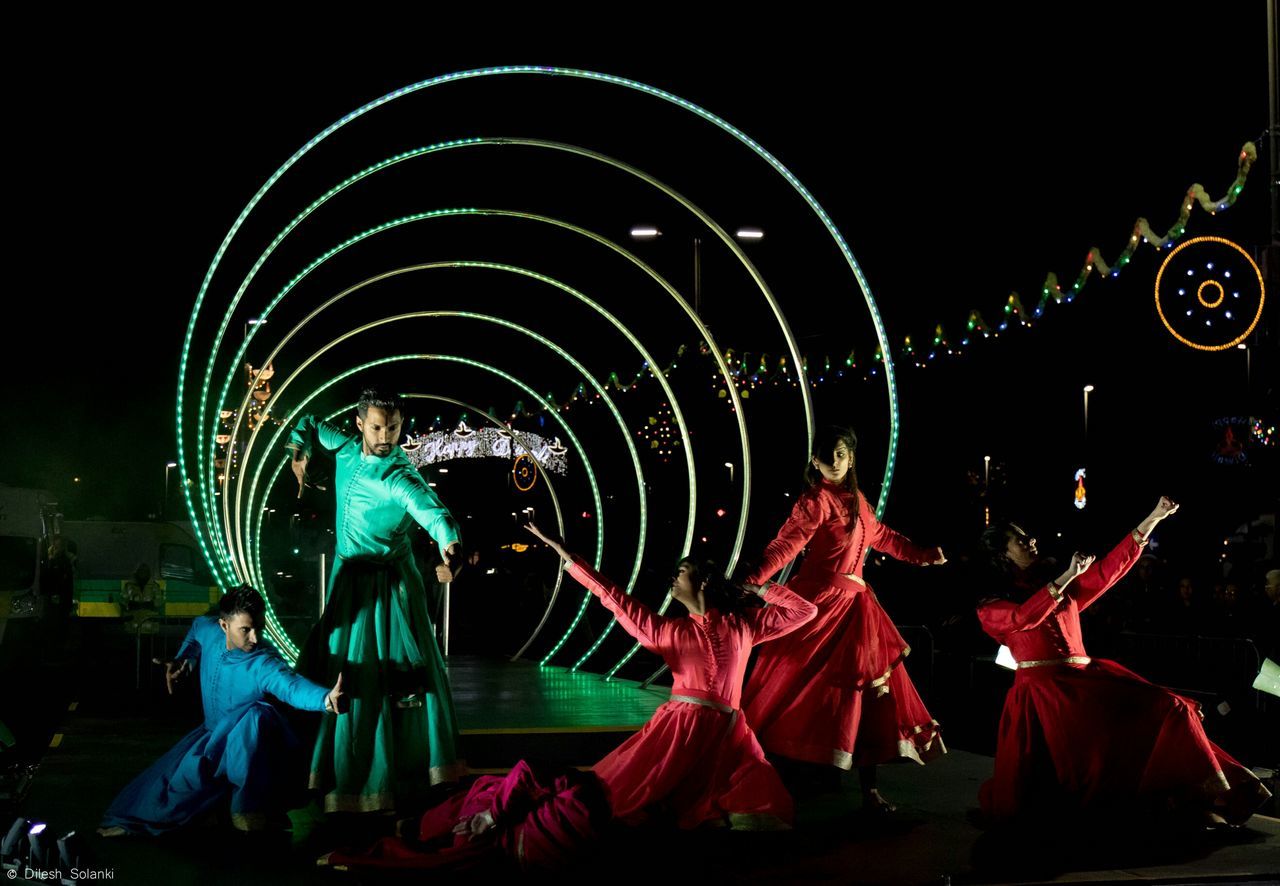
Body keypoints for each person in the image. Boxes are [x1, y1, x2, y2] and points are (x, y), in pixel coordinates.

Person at [977, 497, 1270, 826]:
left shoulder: (1059, 586)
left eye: (1027, 535)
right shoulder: (992, 605)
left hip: (1084, 681)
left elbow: (1107, 572)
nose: (1030, 540)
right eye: (1019, 538)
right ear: (1003, 554)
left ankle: (1202, 798)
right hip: (1045, 695)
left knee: (1170, 707)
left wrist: (1153, 518)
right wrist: (1066, 576)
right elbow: (1022, 617)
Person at [531, 521, 818, 829]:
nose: (673, 577)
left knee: (756, 800)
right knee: (626, 795)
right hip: (680, 728)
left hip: (729, 733)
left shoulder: (743, 624)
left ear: (704, 580)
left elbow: (805, 612)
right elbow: (612, 597)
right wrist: (568, 556)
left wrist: (759, 588)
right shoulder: (667, 631)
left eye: (681, 571)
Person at [739, 426, 946, 810]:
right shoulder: (815, 500)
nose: (833, 461)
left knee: (867, 696)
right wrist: (753, 579)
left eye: (840, 454)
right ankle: (760, 776)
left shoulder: (858, 500)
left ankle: (868, 789)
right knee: (792, 689)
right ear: (814, 461)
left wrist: (921, 555)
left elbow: (881, 536)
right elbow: (787, 544)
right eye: (826, 455)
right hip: (817, 606)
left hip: (856, 607)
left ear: (851, 457)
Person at [289, 388, 465, 813]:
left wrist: (452, 550)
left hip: (386, 590)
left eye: (394, 427)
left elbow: (434, 514)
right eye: (378, 427)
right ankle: (320, 769)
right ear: (359, 423)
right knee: (334, 664)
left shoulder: (398, 477)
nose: (386, 436)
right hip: (348, 581)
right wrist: (299, 451)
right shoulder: (346, 448)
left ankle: (391, 778)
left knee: (384, 680)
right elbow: (310, 420)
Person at [98, 585, 346, 835]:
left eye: (260, 627)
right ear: (224, 626)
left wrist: (325, 699)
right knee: (164, 800)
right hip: (212, 739)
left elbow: (291, 686)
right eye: (246, 630)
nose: (255, 638)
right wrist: (185, 658)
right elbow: (196, 629)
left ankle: (249, 806)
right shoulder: (209, 632)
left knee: (257, 715)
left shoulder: (263, 662)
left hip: (251, 750)